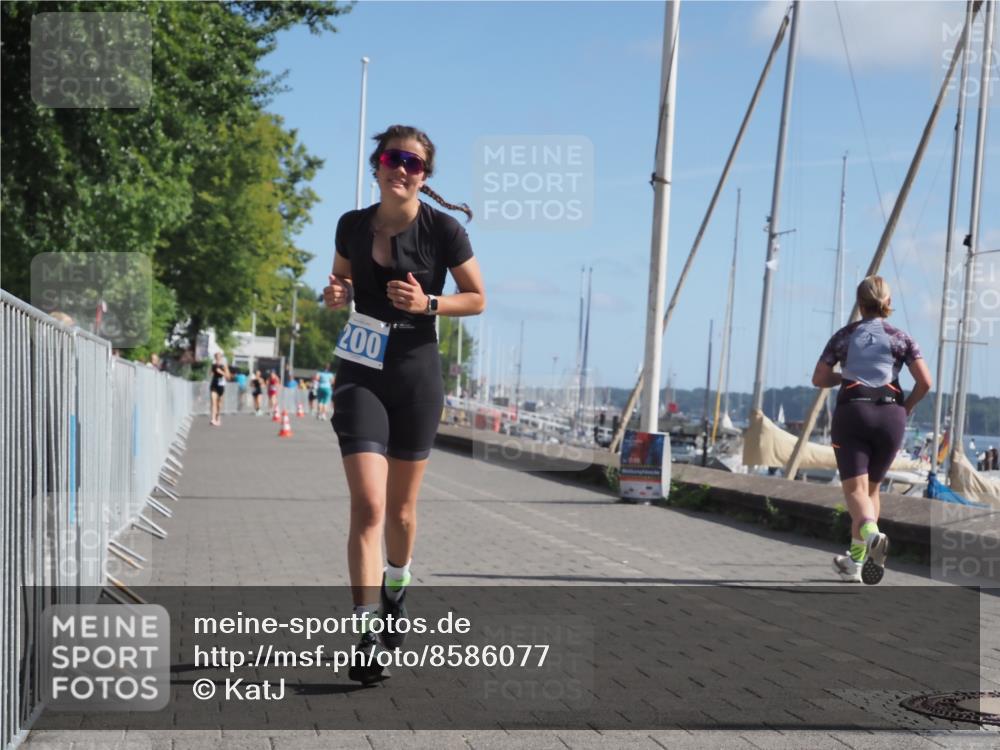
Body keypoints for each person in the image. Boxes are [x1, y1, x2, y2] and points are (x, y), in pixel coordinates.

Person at [323, 125, 486, 683]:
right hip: (361, 371)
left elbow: (479, 297)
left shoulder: (444, 230)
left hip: (416, 374)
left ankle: (399, 580)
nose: (403, 169)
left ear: (424, 175)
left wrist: (429, 301)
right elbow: (340, 282)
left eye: (414, 164)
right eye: (394, 158)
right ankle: (366, 633)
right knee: (368, 507)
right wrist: (335, 295)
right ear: (377, 164)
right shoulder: (350, 224)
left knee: (401, 513)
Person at [812, 276, 931, 584]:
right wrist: (905, 409)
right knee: (872, 492)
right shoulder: (902, 338)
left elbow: (819, 377)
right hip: (892, 415)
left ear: (859, 303)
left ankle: (872, 533)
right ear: (887, 302)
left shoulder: (844, 336)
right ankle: (855, 562)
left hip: (854, 411)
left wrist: (842, 377)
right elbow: (925, 382)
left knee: (855, 492)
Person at [209, 352, 231, 427]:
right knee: (213, 401)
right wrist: (211, 372)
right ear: (215, 358)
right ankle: (213, 419)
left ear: (221, 357)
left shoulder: (224, 366)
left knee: (219, 404)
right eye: (216, 357)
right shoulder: (213, 365)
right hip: (214, 384)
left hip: (221, 386)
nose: (217, 358)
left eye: (219, 357)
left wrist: (222, 372)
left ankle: (218, 417)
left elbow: (228, 377)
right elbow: (210, 374)